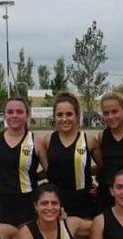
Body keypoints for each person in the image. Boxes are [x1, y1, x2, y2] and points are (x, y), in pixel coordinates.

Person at [0, 97, 46, 227]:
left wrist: (33, 177)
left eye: (19, 112)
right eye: (10, 112)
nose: (14, 115)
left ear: (27, 114)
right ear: (4, 115)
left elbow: (50, 171)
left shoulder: (36, 141)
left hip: (26, 205)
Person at [36, 92, 99, 220]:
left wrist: (85, 173)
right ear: (54, 117)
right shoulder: (48, 140)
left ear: (77, 116)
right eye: (60, 115)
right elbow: (49, 170)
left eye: (69, 114)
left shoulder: (89, 140)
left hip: (83, 202)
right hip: (55, 202)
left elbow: (103, 167)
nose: (64, 119)